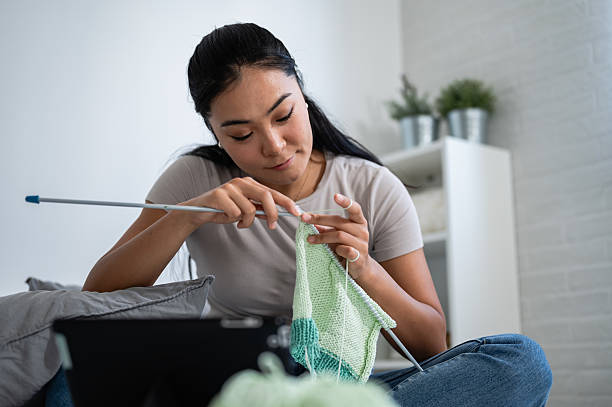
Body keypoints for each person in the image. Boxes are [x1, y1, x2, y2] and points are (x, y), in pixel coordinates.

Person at [80, 23, 552, 406]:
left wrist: (364, 268)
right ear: (215, 133)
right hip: (237, 389)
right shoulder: (194, 178)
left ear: (302, 97)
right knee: (74, 379)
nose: (274, 146)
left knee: (520, 361)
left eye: (283, 116)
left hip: (338, 392)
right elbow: (97, 292)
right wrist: (186, 216)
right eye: (241, 135)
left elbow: (433, 343)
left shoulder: (371, 186)